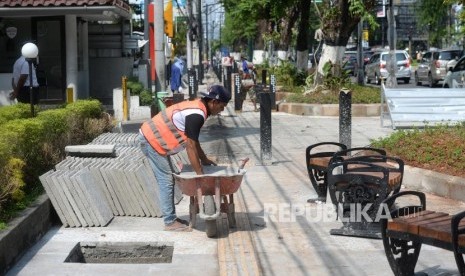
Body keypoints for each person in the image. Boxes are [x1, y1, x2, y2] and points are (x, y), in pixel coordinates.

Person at [138, 85, 231, 231]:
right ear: (214, 102)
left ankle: (171, 218)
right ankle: (169, 222)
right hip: (152, 140)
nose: (222, 110)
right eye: (222, 106)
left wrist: (204, 159)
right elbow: (190, 147)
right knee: (166, 180)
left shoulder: (200, 109)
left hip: (155, 140)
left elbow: (194, 140)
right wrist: (200, 176)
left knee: (168, 179)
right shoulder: (197, 114)